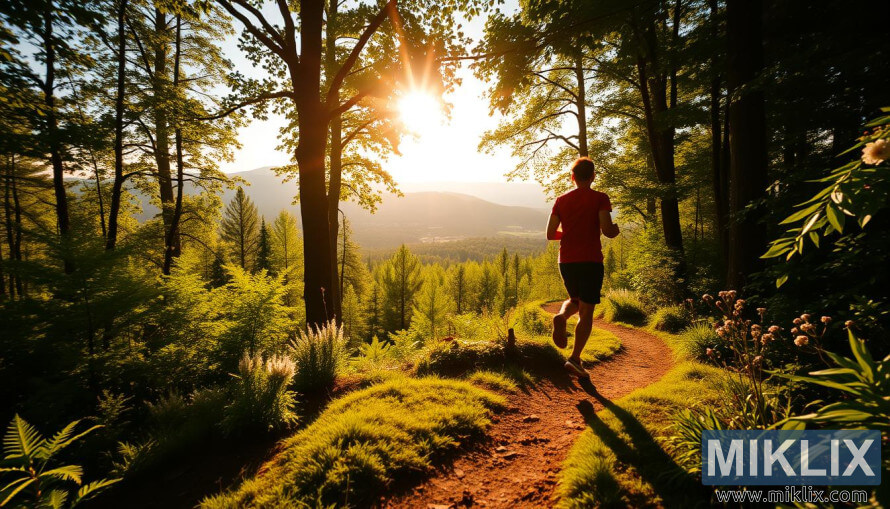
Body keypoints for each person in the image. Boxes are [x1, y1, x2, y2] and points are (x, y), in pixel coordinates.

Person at [546, 157, 620, 378]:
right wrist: (614, 231)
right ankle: (575, 359)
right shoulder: (600, 198)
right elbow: (606, 229)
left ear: (572, 177)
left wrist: (568, 233)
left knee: (576, 301)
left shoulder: (561, 200)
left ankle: (561, 316)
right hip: (590, 260)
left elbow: (550, 234)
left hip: (566, 260)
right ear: (593, 176)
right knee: (586, 311)